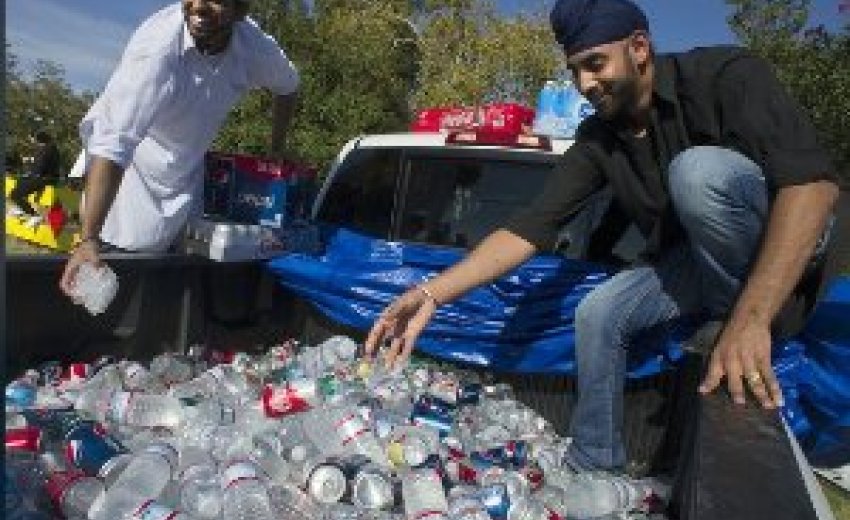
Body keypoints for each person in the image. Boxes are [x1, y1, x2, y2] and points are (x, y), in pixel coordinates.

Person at [365, 0, 848, 473]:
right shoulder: (598, 140)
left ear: (639, 48)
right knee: (597, 313)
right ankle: (595, 463)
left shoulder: (723, 76)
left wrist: (750, 319)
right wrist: (431, 293)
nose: (584, 84)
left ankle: (731, 319)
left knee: (696, 173)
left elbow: (813, 188)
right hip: (697, 263)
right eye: (575, 70)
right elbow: (530, 227)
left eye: (595, 64)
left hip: (786, 249)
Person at [59, 0, 299, 297]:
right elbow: (113, 143)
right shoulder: (155, 50)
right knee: (121, 289)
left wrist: (276, 150)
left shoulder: (254, 46)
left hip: (187, 183)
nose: (198, 5)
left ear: (240, 11)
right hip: (127, 188)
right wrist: (88, 240)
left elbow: (288, 86)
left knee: (172, 295)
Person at [9, 130, 61, 227]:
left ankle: (34, 215)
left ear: (38, 139)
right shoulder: (50, 148)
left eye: (32, 139)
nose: (32, 141)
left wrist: (30, 172)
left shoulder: (45, 150)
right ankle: (21, 208)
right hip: (48, 178)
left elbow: (39, 168)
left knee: (14, 194)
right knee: (20, 182)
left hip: (44, 179)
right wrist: (30, 162)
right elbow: (39, 162)